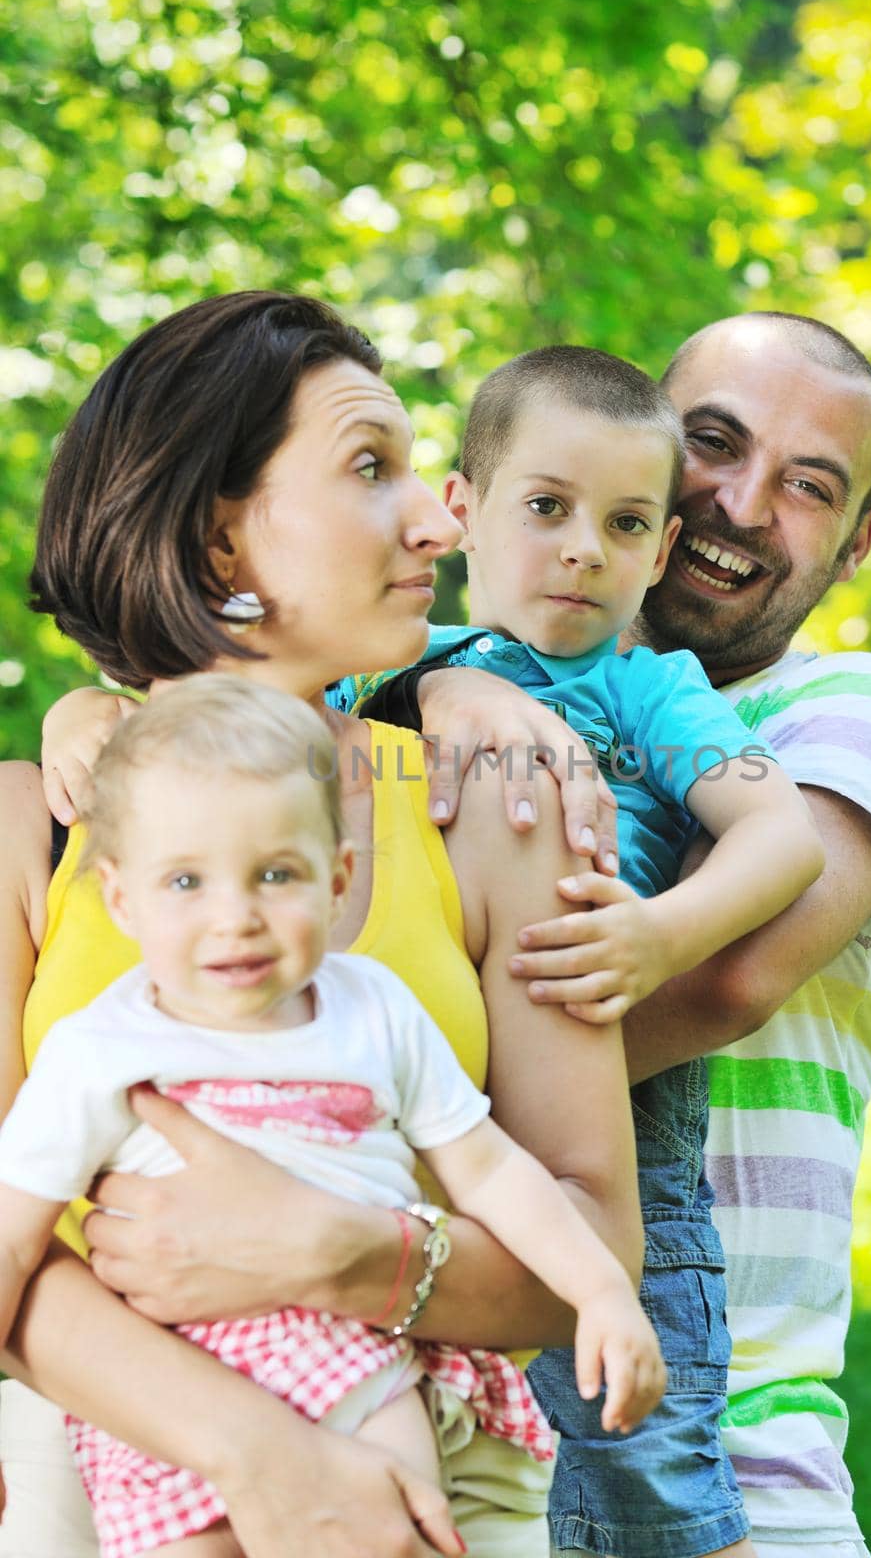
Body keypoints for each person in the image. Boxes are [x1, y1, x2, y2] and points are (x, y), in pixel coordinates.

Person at [0, 290, 637, 1558]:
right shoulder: (33, 829)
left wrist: (346, 1255)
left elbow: (590, 1225)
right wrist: (256, 1452)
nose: (437, 514)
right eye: (370, 466)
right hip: (104, 1477)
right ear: (220, 539)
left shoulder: (484, 800)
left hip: (428, 1472)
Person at [354, 312, 871, 1558]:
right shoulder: (414, 669)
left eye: (807, 485)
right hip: (452, 1370)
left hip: (743, 1434)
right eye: (713, 445)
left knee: (647, 1471)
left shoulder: (846, 705)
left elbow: (728, 976)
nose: (739, 501)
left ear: (859, 540)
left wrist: (376, 1111)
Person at [0, 677, 665, 1558]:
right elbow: (11, 1235)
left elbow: (493, 1169)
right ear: (123, 901)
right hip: (168, 1388)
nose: (233, 917)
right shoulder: (101, 1048)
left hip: (362, 1363)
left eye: (276, 876)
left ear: (337, 874)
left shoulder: (373, 1011)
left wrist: (600, 1290)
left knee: (394, 1529)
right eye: (187, 881)